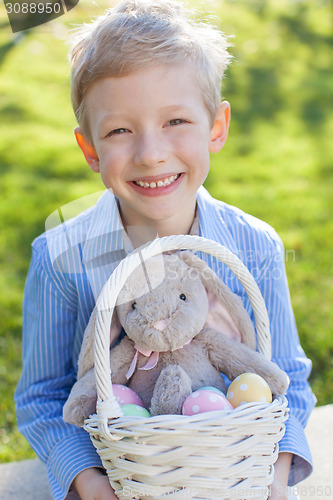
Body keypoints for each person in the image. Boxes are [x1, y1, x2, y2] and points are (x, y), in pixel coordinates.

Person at [15, 1, 316, 499]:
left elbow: (287, 381)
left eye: (176, 120)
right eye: (119, 130)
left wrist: (273, 475)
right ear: (90, 149)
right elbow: (43, 399)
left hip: (233, 475)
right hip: (122, 478)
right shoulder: (61, 257)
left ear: (216, 127)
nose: (151, 152)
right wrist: (90, 484)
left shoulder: (253, 247)